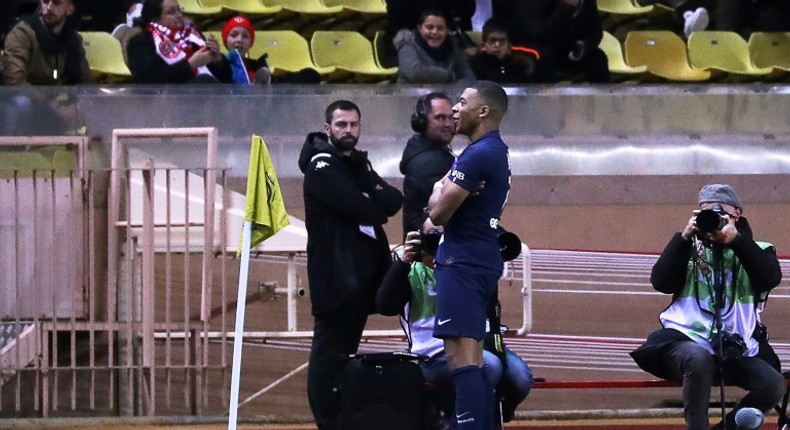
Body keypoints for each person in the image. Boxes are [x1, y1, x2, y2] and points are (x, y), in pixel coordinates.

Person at [630, 184, 786, 430]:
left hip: (738, 347)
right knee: (698, 357)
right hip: (685, 342)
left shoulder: (760, 250)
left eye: (720, 212)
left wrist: (737, 241)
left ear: (737, 213)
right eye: (705, 212)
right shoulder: (688, 248)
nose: (712, 218)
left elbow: (769, 278)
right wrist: (683, 238)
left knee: (774, 384)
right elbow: (661, 282)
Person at [297, 100, 403, 430]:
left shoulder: (357, 164)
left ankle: (342, 419)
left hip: (359, 279)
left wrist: (367, 196)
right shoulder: (321, 166)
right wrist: (368, 198)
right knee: (328, 358)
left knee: (345, 356)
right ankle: (327, 423)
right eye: (341, 124)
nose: (348, 130)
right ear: (327, 128)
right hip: (336, 278)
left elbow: (392, 201)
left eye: (353, 124)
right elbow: (366, 208)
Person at [376, 219, 533, 428]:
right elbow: (385, 306)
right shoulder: (411, 267)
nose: (439, 247)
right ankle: (456, 423)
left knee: (520, 378)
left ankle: (490, 413)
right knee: (488, 367)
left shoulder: (467, 262)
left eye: (445, 238)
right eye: (433, 238)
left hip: (479, 343)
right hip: (431, 354)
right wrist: (403, 262)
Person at [427, 80, 511, 430]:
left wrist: (438, 188)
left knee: (461, 361)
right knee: (472, 360)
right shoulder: (494, 151)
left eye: (462, 103)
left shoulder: (478, 155)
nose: (454, 110)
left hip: (462, 263)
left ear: (484, 111)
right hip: (477, 260)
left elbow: (437, 214)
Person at [2, 0, 93, 134]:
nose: (48, 8)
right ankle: (14, 153)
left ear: (69, 9)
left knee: (89, 105)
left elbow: (87, 83)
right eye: (45, 2)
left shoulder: (72, 40)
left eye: (56, 3)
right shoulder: (22, 33)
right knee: (23, 104)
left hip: (53, 100)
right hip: (26, 98)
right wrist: (55, 107)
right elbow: (15, 82)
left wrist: (80, 106)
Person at [125, 0, 232, 84]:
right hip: (170, 103)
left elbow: (226, 79)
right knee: (204, 81)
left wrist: (218, 60)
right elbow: (151, 79)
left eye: (179, 9)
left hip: (207, 96)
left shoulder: (193, 36)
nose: (179, 15)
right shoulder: (141, 42)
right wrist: (190, 65)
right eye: (171, 12)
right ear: (155, 19)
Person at [400, 92, 456, 239]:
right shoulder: (429, 162)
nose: (448, 124)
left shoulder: (425, 151)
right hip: (429, 253)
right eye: (440, 118)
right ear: (421, 122)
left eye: (451, 117)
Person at [511, 0, 610, 83]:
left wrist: (583, 47)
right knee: (545, 56)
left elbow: (596, 31)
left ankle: (605, 102)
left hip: (568, 48)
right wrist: (567, 7)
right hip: (536, 47)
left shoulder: (586, 2)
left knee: (598, 58)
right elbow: (541, 35)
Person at [219, 15, 320, 85]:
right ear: (225, 40)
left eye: (245, 36)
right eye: (233, 35)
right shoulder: (219, 65)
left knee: (310, 74)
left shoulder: (257, 66)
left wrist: (270, 83)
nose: (239, 40)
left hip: (266, 102)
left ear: (251, 43)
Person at [393, 8, 476, 84]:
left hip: (445, 97)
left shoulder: (453, 46)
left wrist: (452, 88)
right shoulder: (407, 47)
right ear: (419, 28)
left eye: (440, 28)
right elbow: (416, 74)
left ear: (447, 30)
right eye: (429, 27)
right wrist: (449, 75)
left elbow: (470, 78)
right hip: (409, 98)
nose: (435, 32)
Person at [468, 18, 539, 84]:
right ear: (484, 44)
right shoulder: (474, 65)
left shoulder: (518, 65)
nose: (497, 45)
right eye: (492, 40)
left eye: (502, 41)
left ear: (509, 46)